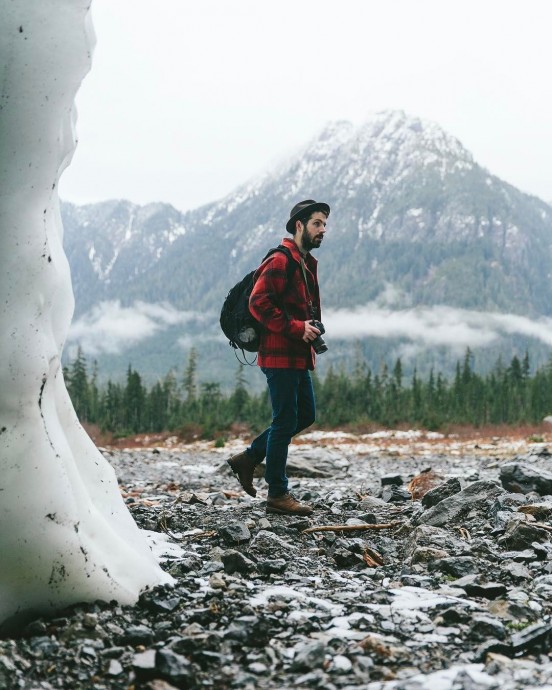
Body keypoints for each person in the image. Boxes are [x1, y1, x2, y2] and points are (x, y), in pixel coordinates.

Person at [227, 199, 330, 515]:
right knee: (284, 420)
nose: (323, 230)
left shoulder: (303, 262)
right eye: (317, 223)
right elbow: (258, 303)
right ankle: (277, 493)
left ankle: (249, 458)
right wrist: (298, 328)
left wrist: (309, 327)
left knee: (305, 414)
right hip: (279, 354)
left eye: (325, 224)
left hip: (297, 355)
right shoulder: (280, 260)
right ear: (299, 225)